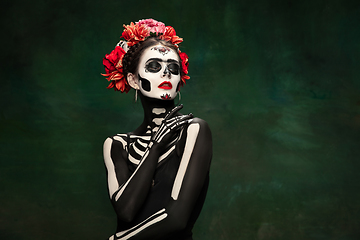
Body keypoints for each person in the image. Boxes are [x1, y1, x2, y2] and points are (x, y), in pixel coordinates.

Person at [101, 19, 212, 240]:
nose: (166, 74)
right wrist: (155, 146)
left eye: (173, 68)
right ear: (133, 79)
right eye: (154, 66)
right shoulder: (117, 145)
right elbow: (126, 210)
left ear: (180, 79)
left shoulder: (193, 131)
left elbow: (177, 218)